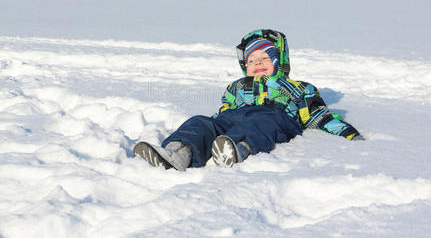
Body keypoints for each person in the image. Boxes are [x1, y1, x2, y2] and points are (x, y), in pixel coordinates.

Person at [133, 29, 363, 171]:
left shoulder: (299, 88)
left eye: (265, 58)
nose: (258, 64)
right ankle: (178, 153)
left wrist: (348, 133)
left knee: (257, 124)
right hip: (232, 118)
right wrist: (211, 126)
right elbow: (224, 110)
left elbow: (318, 115)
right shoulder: (237, 86)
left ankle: (238, 150)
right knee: (200, 122)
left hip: (274, 118)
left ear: (279, 61)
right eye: (251, 61)